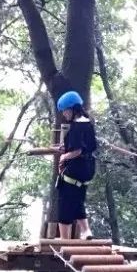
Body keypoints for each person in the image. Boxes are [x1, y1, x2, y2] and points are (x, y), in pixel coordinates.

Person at [56, 91, 97, 240]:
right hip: (88, 168)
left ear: (73, 109)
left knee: (64, 200)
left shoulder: (76, 126)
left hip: (76, 168)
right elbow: (86, 146)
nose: (64, 114)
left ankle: (64, 239)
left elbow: (78, 150)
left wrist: (64, 156)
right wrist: (65, 148)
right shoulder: (87, 123)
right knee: (77, 198)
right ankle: (86, 232)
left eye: (65, 111)